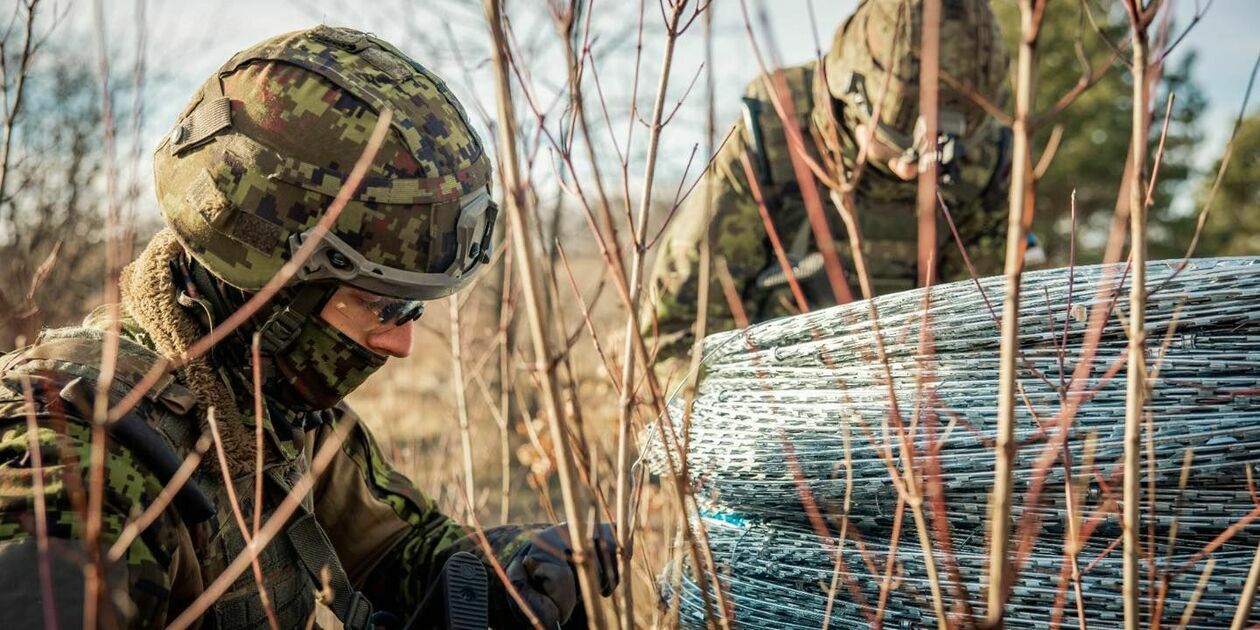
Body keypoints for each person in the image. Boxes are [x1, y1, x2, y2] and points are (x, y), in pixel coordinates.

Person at [0, 26, 615, 629]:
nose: (402, 343)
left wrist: (510, 570)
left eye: (414, 309)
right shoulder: (69, 464)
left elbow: (396, 548)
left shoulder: (270, 401)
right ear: (273, 292)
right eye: (383, 306)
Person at [648, 0, 1013, 363]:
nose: (912, 169)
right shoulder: (774, 136)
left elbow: (984, 336)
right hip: (775, 384)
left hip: (924, 388)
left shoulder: (986, 163)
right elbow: (679, 336)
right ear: (851, 100)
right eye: (895, 145)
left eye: (940, 151)